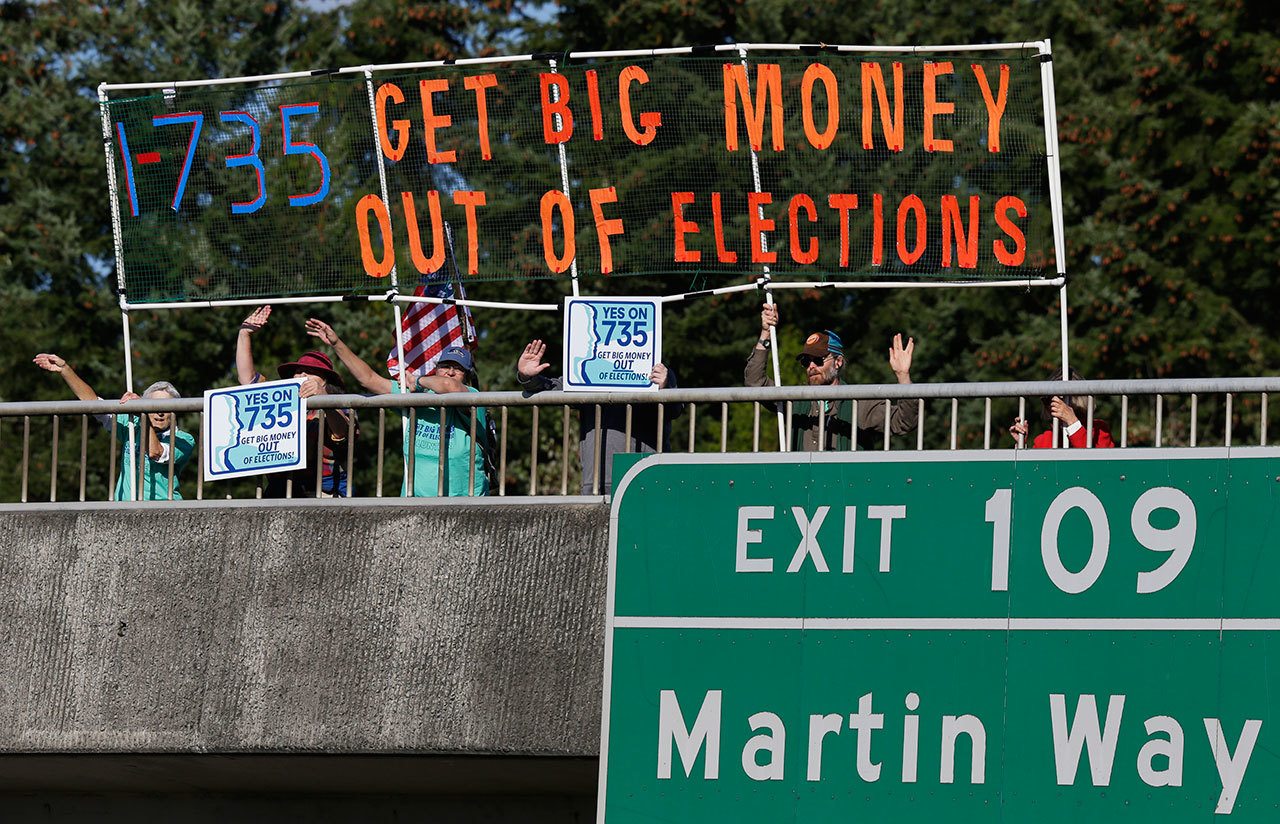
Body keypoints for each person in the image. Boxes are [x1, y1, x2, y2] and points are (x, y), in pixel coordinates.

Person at [305, 318, 489, 497]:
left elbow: (451, 387)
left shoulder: (471, 395)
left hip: (465, 502)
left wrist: (418, 380)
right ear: (436, 369)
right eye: (446, 366)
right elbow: (368, 379)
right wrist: (336, 343)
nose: (450, 372)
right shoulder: (417, 396)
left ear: (466, 376)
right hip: (416, 503)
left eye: (458, 369)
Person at [746, 302, 919, 450]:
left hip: (846, 487)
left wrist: (903, 376)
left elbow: (904, 422)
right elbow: (755, 384)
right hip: (804, 488)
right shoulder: (794, 400)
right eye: (806, 361)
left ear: (838, 362)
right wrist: (766, 333)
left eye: (819, 360)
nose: (811, 366)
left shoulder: (860, 403)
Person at [517, 339, 680, 495]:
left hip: (647, 478)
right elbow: (552, 389)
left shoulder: (659, 373)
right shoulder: (589, 374)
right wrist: (528, 377)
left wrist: (665, 387)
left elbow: (675, 410)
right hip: (597, 482)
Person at [33, 353, 195, 501]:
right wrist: (65, 370)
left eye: (167, 407)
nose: (159, 412)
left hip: (162, 513)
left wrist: (143, 413)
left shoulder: (184, 440)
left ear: (175, 412)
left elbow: (155, 452)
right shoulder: (132, 425)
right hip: (125, 509)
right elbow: (94, 404)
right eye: (154, 406)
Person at [237, 306, 357, 497]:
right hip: (280, 491)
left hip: (323, 493)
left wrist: (323, 400)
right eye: (297, 371)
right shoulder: (279, 402)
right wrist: (244, 334)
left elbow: (343, 432)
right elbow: (247, 381)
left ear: (325, 381)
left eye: (310, 372)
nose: (301, 374)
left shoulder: (340, 403)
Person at [1009, 370, 1115, 448]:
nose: (1055, 405)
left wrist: (1072, 422)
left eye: (1062, 399)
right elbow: (1031, 474)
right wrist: (1021, 444)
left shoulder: (1099, 430)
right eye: (1047, 399)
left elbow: (1095, 466)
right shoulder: (1043, 440)